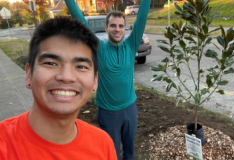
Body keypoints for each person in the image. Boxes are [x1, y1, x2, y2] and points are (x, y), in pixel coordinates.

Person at [0, 17, 117, 160]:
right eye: (51, 63)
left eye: (81, 66)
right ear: (29, 75)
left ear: (95, 82)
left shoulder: (103, 144)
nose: (66, 77)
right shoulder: (4, 144)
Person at [64, 0, 151, 159]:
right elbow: (80, 19)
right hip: (108, 112)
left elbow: (142, 17)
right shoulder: (99, 48)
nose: (117, 29)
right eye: (113, 25)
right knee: (111, 152)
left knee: (130, 152)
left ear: (124, 29)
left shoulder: (131, 46)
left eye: (120, 26)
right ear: (106, 28)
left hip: (130, 109)